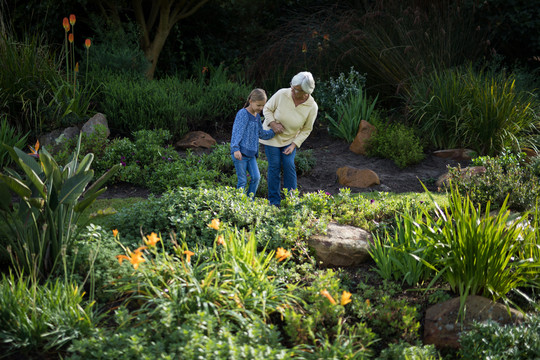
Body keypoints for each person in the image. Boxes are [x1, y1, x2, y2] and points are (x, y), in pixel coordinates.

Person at [260, 71, 318, 206]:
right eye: (292, 85)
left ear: (305, 92)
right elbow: (267, 109)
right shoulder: (282, 94)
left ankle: (291, 201)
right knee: (274, 166)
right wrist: (273, 124)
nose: (292, 89)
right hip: (271, 136)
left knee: (289, 165)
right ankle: (274, 202)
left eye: (296, 89)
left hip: (290, 141)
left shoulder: (312, 107)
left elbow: (306, 129)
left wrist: (294, 145)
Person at [230, 88, 275, 198]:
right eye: (258, 105)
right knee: (242, 181)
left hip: (251, 155)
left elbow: (261, 133)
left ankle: (250, 201)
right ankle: (238, 204)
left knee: (256, 177)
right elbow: (237, 132)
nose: (261, 108)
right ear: (251, 101)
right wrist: (235, 148)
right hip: (240, 154)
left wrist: (274, 131)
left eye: (263, 105)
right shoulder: (243, 114)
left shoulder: (257, 117)